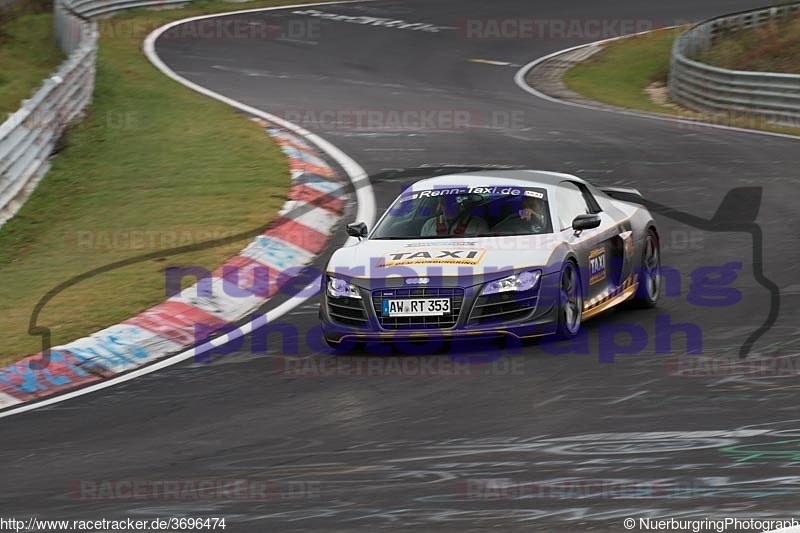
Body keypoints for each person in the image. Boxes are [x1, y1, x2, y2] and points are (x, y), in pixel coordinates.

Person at [420, 194, 489, 237]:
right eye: (445, 203)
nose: (448, 207)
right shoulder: (430, 224)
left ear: (461, 205)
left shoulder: (478, 224)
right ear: (440, 205)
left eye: (453, 204)